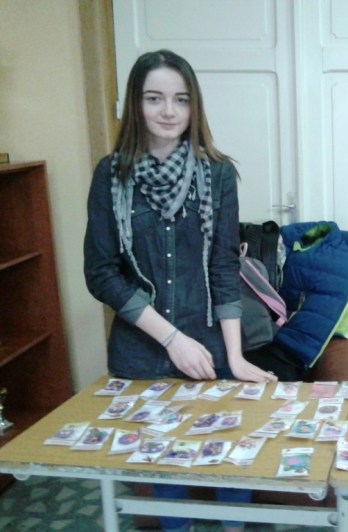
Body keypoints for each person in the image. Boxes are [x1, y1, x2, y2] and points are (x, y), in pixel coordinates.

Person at [84, 49, 276, 532]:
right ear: (136, 103)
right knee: (164, 466)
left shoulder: (218, 173)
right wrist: (171, 339)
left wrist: (235, 358)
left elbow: (224, 265)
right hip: (141, 354)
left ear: (194, 106)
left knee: (228, 459)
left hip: (211, 344)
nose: (169, 111)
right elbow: (101, 273)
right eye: (154, 98)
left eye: (181, 99)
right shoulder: (110, 175)